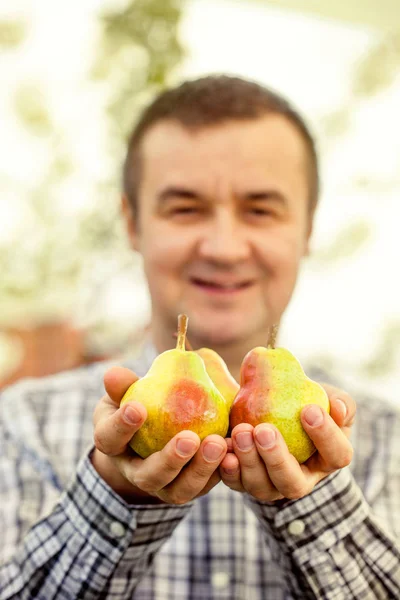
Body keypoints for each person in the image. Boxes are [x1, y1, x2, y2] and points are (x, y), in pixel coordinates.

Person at [1, 75, 399, 600]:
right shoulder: (23, 427)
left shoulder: (387, 442)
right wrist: (114, 497)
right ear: (133, 223)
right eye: (185, 208)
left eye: (260, 209)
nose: (224, 247)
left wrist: (314, 505)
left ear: (306, 229)